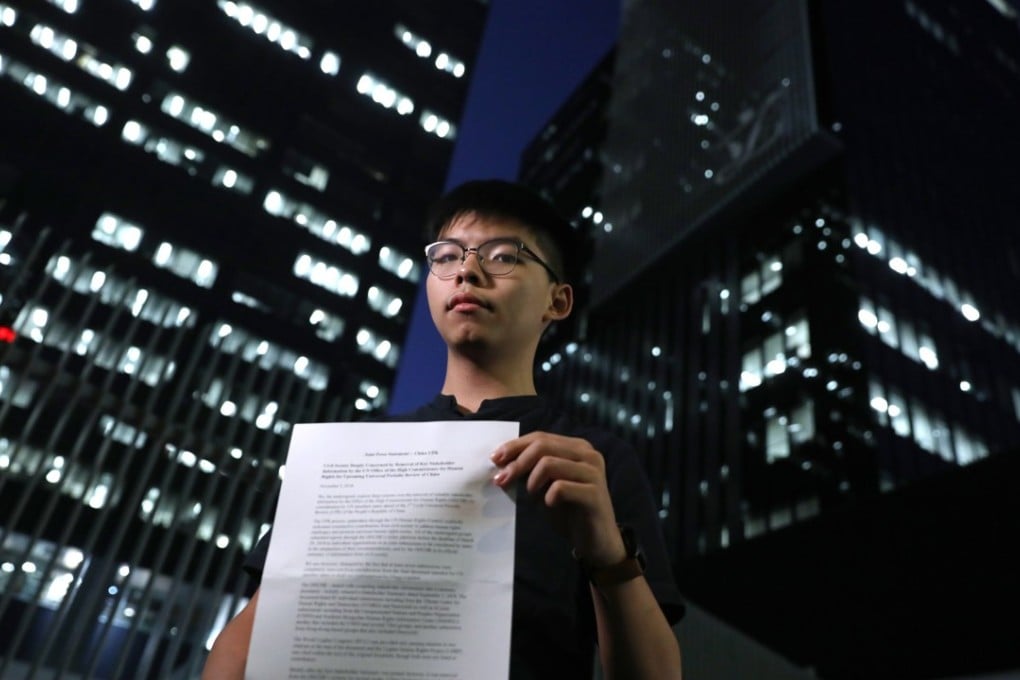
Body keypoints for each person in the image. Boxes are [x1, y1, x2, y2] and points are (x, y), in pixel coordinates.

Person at [202, 180, 684, 679]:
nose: (467, 271)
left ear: (557, 301)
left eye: (504, 256)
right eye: (448, 256)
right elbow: (251, 639)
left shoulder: (591, 462)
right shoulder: (353, 456)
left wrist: (608, 554)